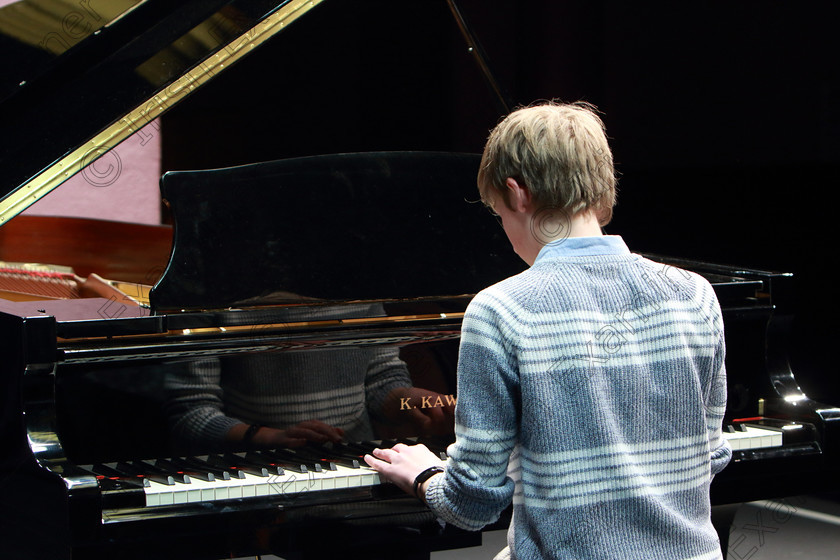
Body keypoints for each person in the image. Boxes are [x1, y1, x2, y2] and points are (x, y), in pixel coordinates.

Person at [364, 101, 731, 559]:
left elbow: (470, 504)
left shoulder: (502, 309)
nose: (506, 231)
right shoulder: (695, 294)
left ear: (517, 194)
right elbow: (710, 457)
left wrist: (423, 475)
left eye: (500, 214)